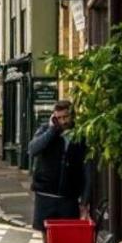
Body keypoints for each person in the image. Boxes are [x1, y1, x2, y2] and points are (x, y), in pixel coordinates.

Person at [28, 99, 90, 232]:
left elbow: (87, 170)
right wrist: (51, 130)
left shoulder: (80, 135)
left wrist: (84, 201)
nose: (63, 121)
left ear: (72, 116)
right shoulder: (45, 130)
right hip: (45, 195)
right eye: (59, 118)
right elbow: (33, 149)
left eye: (66, 117)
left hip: (68, 198)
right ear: (54, 118)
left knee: (67, 241)